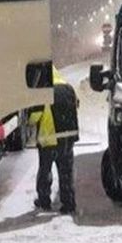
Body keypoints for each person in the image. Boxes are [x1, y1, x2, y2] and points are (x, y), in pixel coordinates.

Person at [29, 69, 80, 214]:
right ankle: (68, 203)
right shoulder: (68, 88)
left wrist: (29, 120)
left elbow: (35, 116)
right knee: (66, 172)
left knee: (45, 171)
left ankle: (44, 200)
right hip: (68, 137)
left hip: (49, 138)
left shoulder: (43, 91)